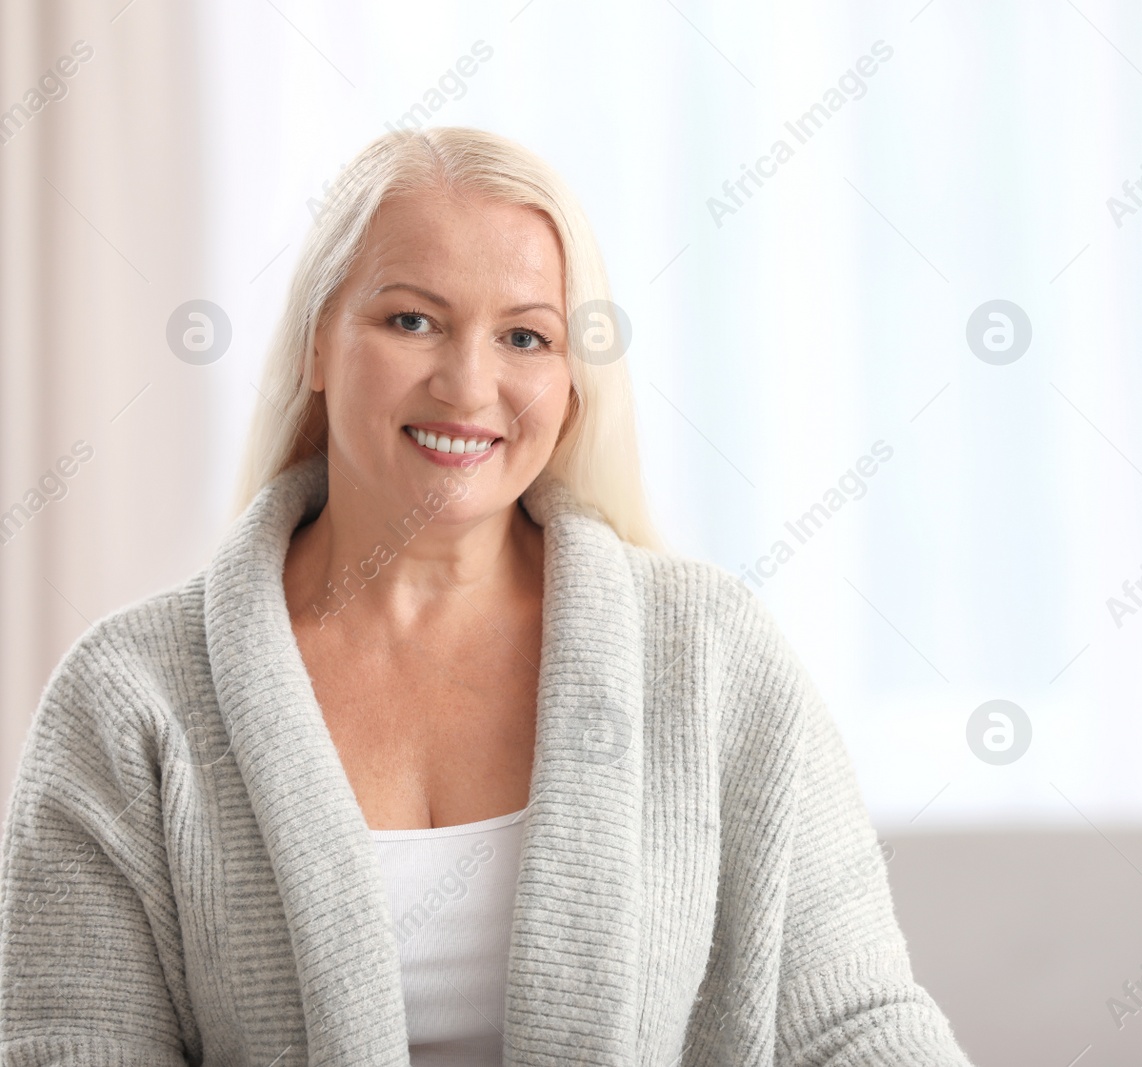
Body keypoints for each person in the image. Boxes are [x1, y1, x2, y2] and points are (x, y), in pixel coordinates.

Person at [0, 126, 974, 1066]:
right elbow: (71, 1044)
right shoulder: (127, 696)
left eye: (524, 335)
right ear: (315, 346)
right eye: (411, 319)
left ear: (572, 381)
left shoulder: (712, 652)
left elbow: (852, 1023)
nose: (469, 384)